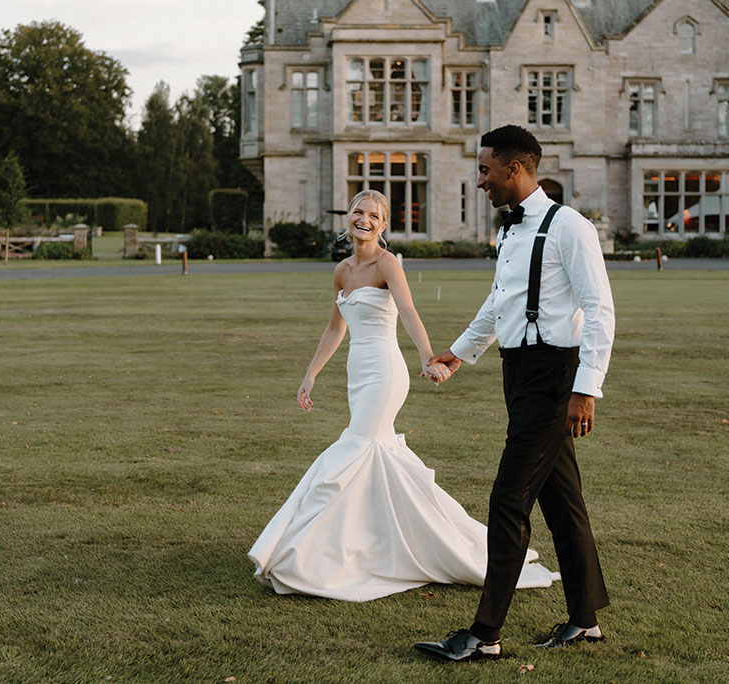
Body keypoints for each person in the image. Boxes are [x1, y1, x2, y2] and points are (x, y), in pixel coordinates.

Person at [248, 189, 559, 602]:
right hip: (358, 372)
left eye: (374, 216)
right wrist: (310, 374)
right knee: (375, 454)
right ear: (349, 217)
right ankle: (378, 541)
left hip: (385, 371)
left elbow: (409, 312)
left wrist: (429, 357)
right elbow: (336, 327)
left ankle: (314, 552)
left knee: (355, 448)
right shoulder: (342, 270)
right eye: (359, 212)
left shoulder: (387, 263)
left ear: (383, 225)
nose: (364, 220)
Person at [413, 125, 615, 662]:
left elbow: (599, 310)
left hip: (555, 376)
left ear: (515, 168)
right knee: (562, 501)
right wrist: (460, 352)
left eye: (485, 170)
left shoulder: (569, 227)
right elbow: (500, 301)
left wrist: (585, 389)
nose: (480, 180)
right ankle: (585, 621)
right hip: (518, 372)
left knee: (508, 499)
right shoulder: (508, 233)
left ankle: (485, 635)